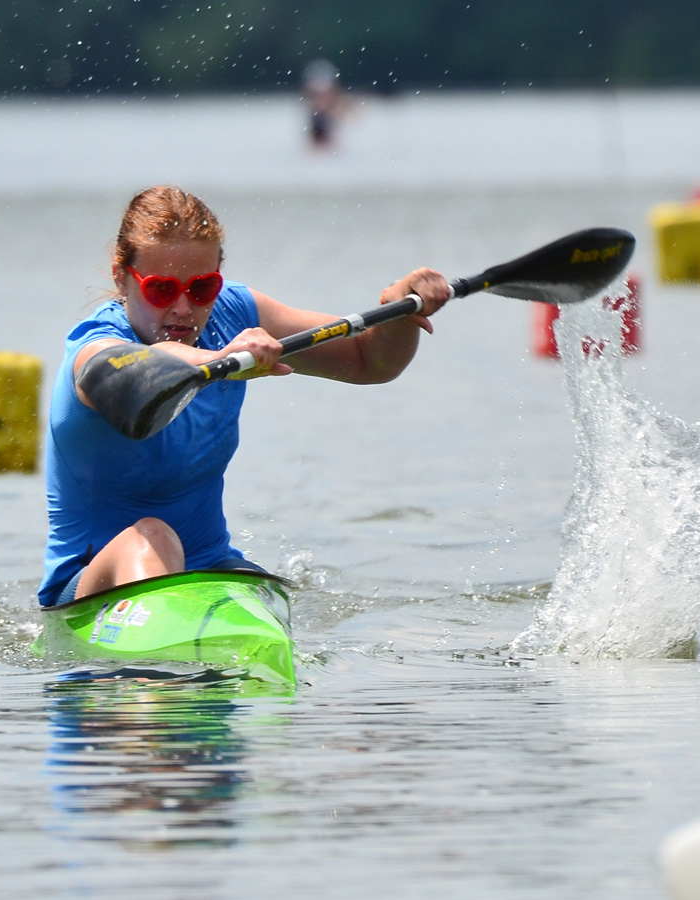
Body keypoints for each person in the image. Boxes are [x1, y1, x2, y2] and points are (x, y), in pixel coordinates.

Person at [38, 185, 451, 607]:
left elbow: (370, 362)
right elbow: (145, 363)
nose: (182, 307)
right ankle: (161, 656)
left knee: (272, 594)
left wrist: (400, 306)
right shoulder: (95, 349)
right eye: (161, 289)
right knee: (154, 535)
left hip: (210, 568)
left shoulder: (236, 311)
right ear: (121, 275)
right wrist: (217, 357)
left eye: (201, 288)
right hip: (90, 588)